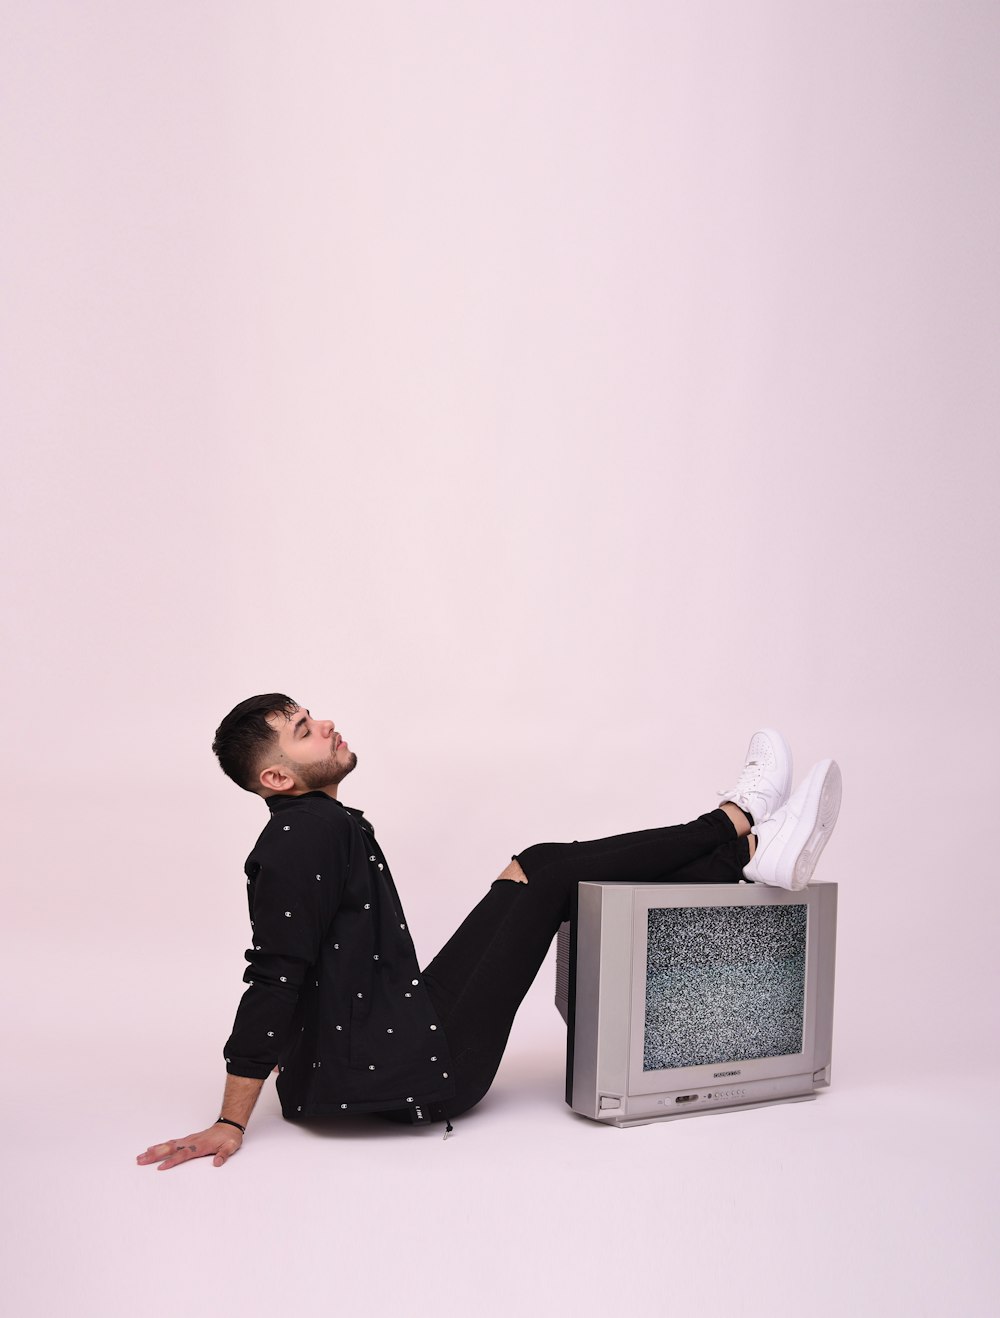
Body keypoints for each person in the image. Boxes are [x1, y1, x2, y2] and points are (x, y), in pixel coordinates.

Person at [136, 698, 841, 1172]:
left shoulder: (319, 824)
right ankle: (738, 824)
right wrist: (230, 1122)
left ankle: (743, 852)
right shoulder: (301, 839)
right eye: (303, 729)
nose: (325, 725)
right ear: (277, 775)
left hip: (391, 1042)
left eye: (312, 713)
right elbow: (276, 973)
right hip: (414, 1069)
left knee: (532, 876)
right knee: (541, 868)